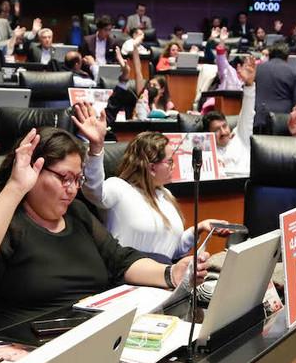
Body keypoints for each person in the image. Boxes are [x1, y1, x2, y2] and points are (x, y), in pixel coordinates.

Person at [0, 128, 208, 340]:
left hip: (88, 338)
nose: (71, 189)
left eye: (77, 179)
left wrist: (169, 273)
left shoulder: (77, 213)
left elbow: (119, 260)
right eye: (63, 178)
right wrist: (15, 187)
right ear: (31, 170)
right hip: (21, 349)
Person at [74, 109, 227, 261]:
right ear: (152, 168)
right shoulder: (119, 188)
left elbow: (171, 251)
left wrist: (199, 228)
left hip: (163, 274)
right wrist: (96, 147)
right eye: (170, 161)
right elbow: (93, 190)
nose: (174, 166)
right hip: (128, 275)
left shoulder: (166, 196)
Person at [202, 56, 257, 176]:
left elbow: (248, 111)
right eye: (216, 130)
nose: (223, 132)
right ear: (209, 135)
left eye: (224, 126)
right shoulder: (207, 154)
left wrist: (249, 84)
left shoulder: (241, 135)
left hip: (246, 186)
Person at [253, 41, 296, 131]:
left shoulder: (257, 69)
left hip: (257, 117)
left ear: (269, 55)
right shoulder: (295, 73)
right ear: (287, 57)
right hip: (282, 121)